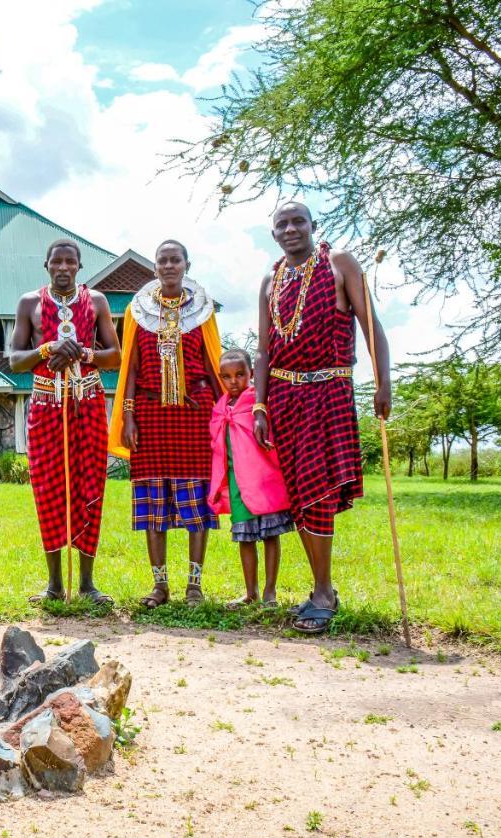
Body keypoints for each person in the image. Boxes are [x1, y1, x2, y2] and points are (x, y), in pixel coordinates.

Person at [253, 201, 391, 634]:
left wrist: (384, 382)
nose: (291, 229)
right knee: (299, 496)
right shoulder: (269, 280)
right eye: (282, 224)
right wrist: (259, 405)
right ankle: (321, 589)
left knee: (318, 492)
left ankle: (323, 592)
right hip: (282, 397)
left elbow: (372, 326)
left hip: (328, 390)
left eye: (298, 221)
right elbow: (263, 351)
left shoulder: (339, 263)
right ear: (273, 234)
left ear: (313, 226)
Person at [109, 240, 223, 607]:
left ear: (186, 265)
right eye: (163, 260)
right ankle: (159, 586)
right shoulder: (137, 311)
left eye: (176, 260)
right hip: (149, 413)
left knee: (195, 503)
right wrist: (127, 414)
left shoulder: (202, 311)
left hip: (194, 414)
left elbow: (212, 362)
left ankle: (194, 585)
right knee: (152, 501)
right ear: (155, 268)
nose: (169, 265)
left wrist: (223, 413)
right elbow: (131, 367)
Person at [8, 238, 121, 604]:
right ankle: (55, 584)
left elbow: (114, 356)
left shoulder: (98, 301)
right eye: (56, 262)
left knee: (90, 486)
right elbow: (15, 360)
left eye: (70, 262)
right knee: (48, 489)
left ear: (78, 266)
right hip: (45, 404)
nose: (63, 268)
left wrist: (82, 352)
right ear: (46, 265)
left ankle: (87, 584)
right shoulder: (29, 303)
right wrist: (48, 348)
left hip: (86, 400)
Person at [207, 349, 295, 608]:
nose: (233, 381)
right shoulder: (221, 406)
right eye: (226, 376)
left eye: (240, 375)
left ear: (251, 374)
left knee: (270, 535)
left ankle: (270, 591)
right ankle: (250, 592)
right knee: (244, 537)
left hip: (263, 481)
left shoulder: (258, 403)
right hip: (237, 483)